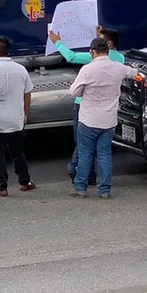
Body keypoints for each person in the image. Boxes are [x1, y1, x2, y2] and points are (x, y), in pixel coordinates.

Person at [48, 25, 125, 181]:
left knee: (83, 142)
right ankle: (95, 179)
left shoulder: (94, 58)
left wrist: (57, 42)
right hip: (107, 110)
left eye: (99, 40)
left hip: (84, 105)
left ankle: (79, 172)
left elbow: (71, 57)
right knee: (102, 149)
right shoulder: (120, 59)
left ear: (107, 45)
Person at [69, 37, 135, 199]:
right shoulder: (118, 68)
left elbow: (74, 92)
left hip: (88, 120)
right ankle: (104, 190)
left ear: (92, 52)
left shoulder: (87, 70)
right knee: (105, 155)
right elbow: (134, 73)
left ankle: (81, 188)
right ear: (107, 50)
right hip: (108, 120)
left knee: (85, 154)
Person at [0, 36, 35, 197]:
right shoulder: (21, 69)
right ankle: (24, 182)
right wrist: (25, 114)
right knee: (18, 153)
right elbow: (27, 94)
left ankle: (1, 187)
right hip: (16, 119)